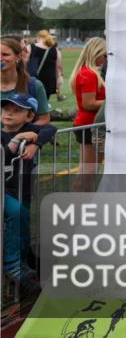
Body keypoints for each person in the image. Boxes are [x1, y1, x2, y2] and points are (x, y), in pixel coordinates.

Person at [2, 91, 55, 294]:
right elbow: (3, 156)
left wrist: (35, 144)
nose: (9, 113)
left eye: (17, 110)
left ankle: (21, 267)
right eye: (7, 109)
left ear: (29, 116)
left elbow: (49, 129)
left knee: (22, 223)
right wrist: (17, 140)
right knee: (17, 214)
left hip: (21, 189)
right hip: (4, 189)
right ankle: (12, 265)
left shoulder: (29, 129)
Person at [69, 37, 106, 191]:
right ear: (95, 53)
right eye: (104, 55)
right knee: (87, 171)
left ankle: (83, 205)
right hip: (89, 126)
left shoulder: (86, 72)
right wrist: (111, 103)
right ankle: (76, 207)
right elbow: (88, 103)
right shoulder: (89, 74)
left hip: (87, 125)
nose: (105, 59)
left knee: (88, 171)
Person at [1, 37, 51, 126]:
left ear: (18, 57)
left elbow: (44, 119)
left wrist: (21, 134)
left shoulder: (34, 85)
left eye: (5, 54)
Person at [27, 30, 60, 99]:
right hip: (49, 81)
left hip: (33, 79)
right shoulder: (54, 50)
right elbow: (57, 68)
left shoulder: (31, 47)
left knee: (31, 102)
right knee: (44, 103)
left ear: (38, 37)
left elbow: (24, 62)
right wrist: (57, 81)